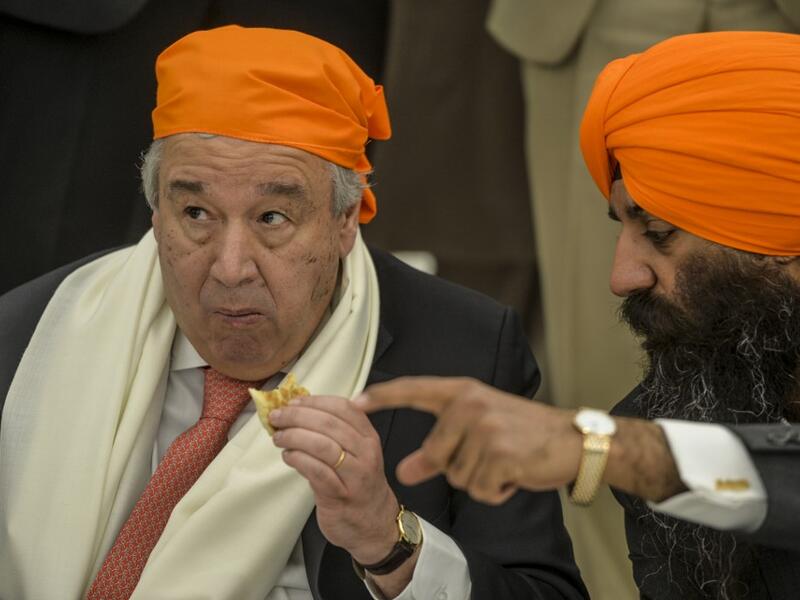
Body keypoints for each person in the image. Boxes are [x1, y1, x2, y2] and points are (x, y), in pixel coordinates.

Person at [0, 26, 587, 600]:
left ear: (345, 221)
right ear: (156, 215)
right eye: (197, 214)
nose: (231, 268)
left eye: (272, 219)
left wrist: (389, 542)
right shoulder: (34, 333)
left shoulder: (461, 354)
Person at [357, 31, 800, 600]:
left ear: (779, 236)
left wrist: (598, 449)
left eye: (660, 233)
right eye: (624, 229)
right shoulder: (676, 413)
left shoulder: (647, 452)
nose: (622, 278)